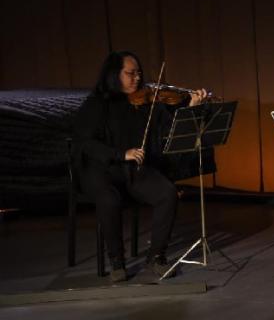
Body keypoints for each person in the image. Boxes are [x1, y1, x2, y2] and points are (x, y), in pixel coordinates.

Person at [72, 50, 208, 282]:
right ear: (114, 75)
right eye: (130, 73)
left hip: (133, 170)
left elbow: (168, 128)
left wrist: (191, 107)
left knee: (167, 193)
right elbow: (85, 142)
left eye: (139, 73)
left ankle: (156, 257)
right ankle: (117, 261)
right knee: (109, 199)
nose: (137, 78)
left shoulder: (146, 101)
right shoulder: (96, 104)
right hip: (100, 170)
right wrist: (119, 153)